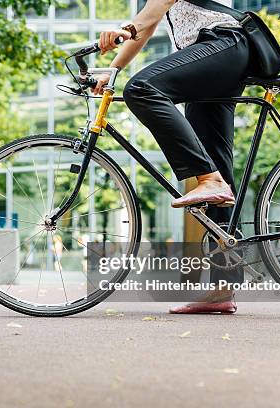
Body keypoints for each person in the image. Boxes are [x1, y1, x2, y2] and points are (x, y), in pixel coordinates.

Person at [94, 0, 252, 314]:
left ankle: (208, 179)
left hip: (223, 45)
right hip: (212, 60)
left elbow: (159, 6)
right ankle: (223, 287)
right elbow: (149, 24)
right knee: (217, 166)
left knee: (141, 88)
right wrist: (113, 70)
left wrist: (125, 29)